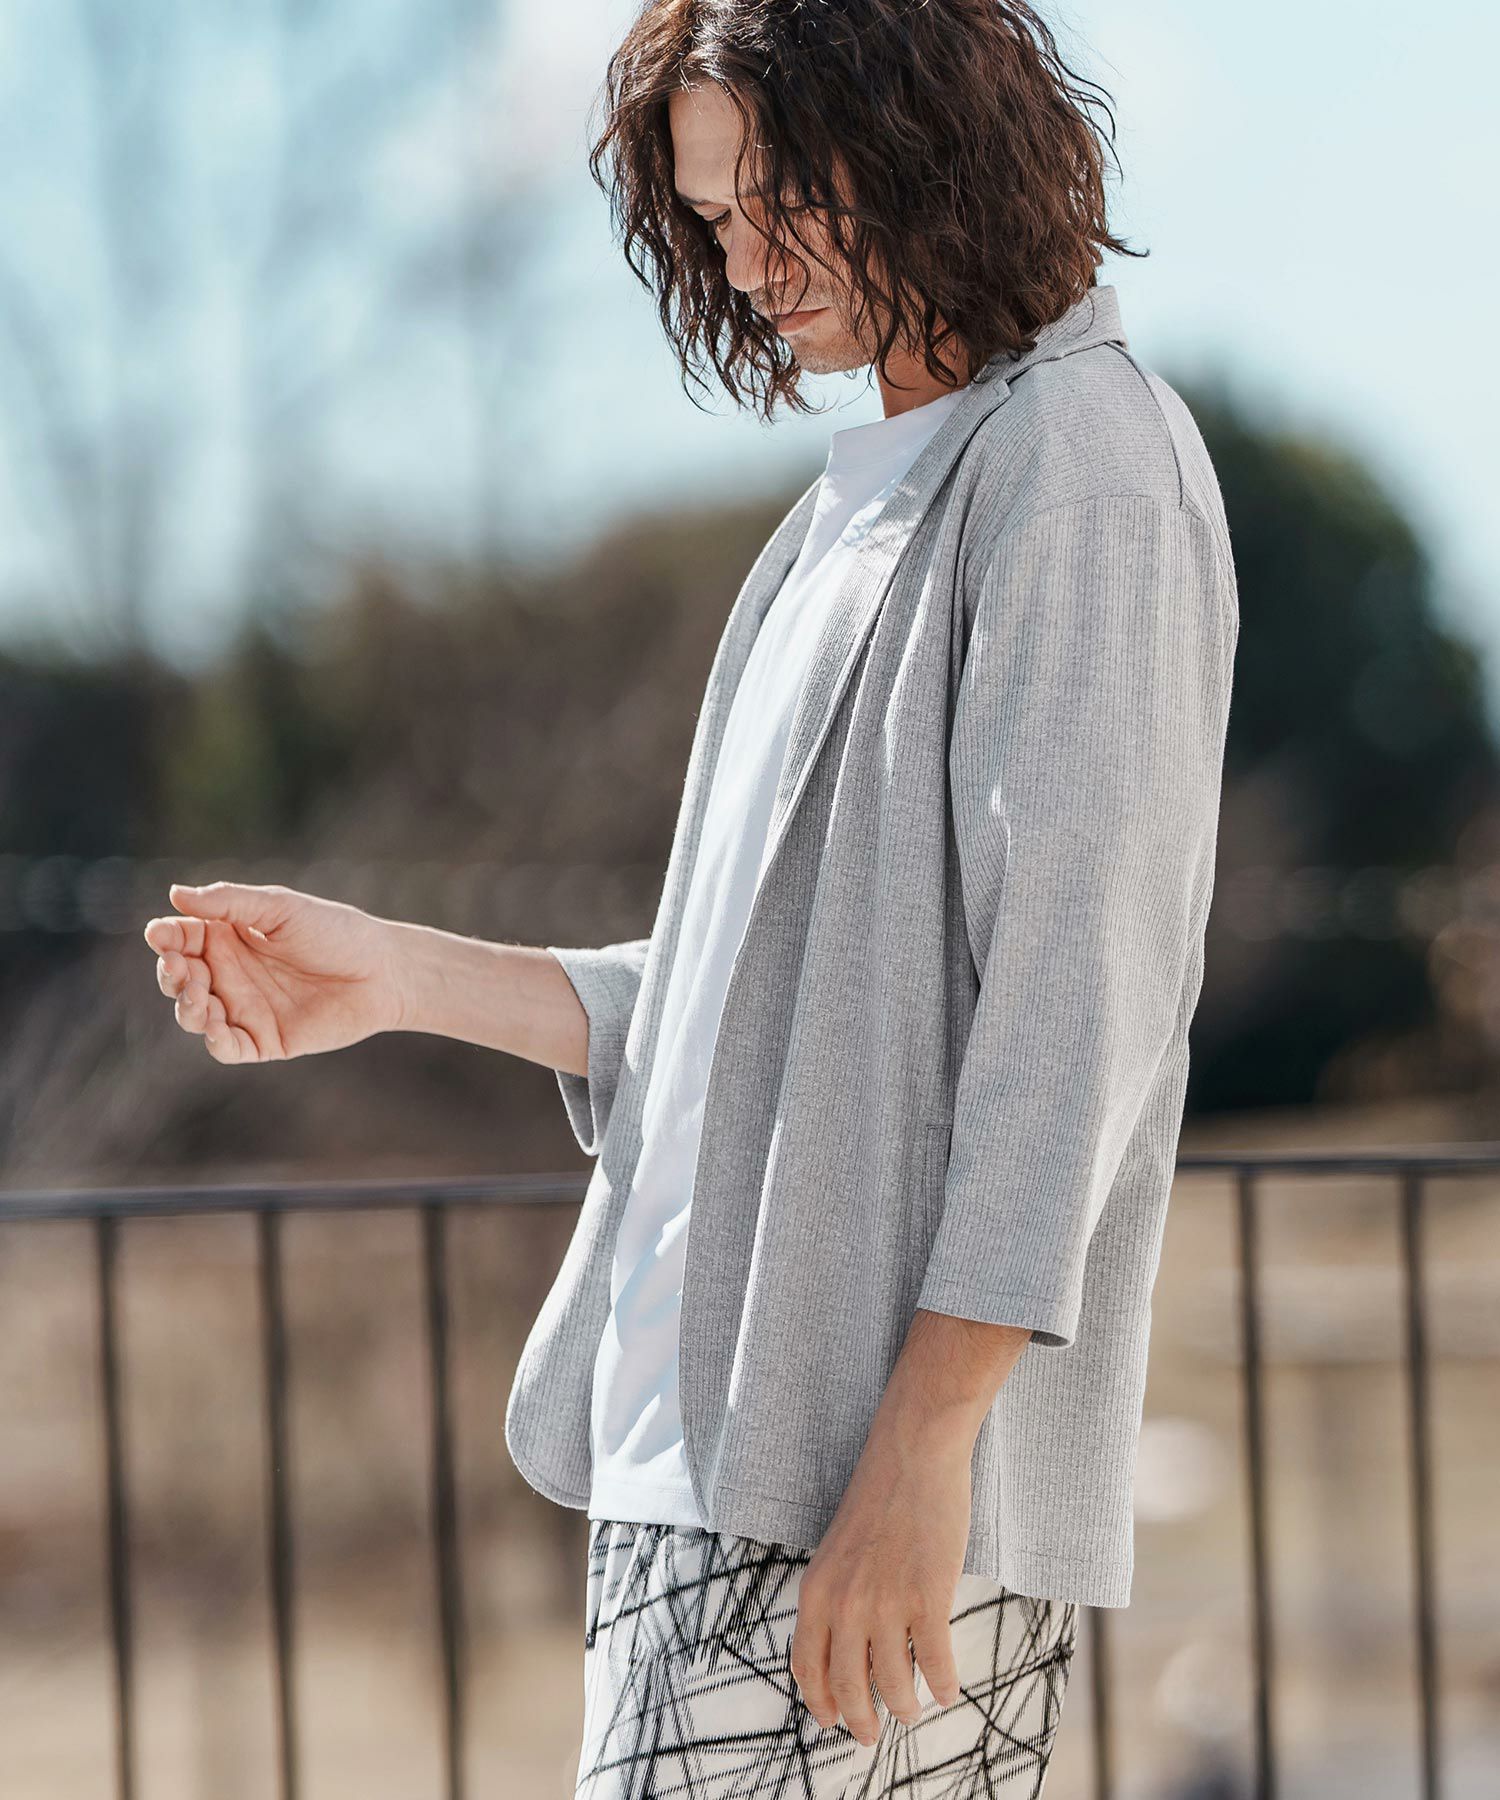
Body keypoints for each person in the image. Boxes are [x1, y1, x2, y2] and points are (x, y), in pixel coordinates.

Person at [143, 3, 1239, 1793]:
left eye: (778, 201)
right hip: (700, 1463)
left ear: (921, 140)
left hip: (860, 1494)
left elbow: (1078, 1006)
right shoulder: (845, 519)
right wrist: (395, 976)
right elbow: (760, 1003)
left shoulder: (1084, 468)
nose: (746, 264)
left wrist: (926, 1445)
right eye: (715, 220)